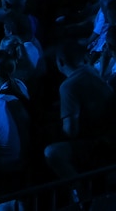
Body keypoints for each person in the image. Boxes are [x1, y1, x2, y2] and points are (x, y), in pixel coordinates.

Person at [44, 41, 113, 178]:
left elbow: (71, 131)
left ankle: (79, 192)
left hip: (103, 143)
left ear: (60, 62)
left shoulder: (68, 86)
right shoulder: (93, 72)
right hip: (109, 133)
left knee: (51, 152)